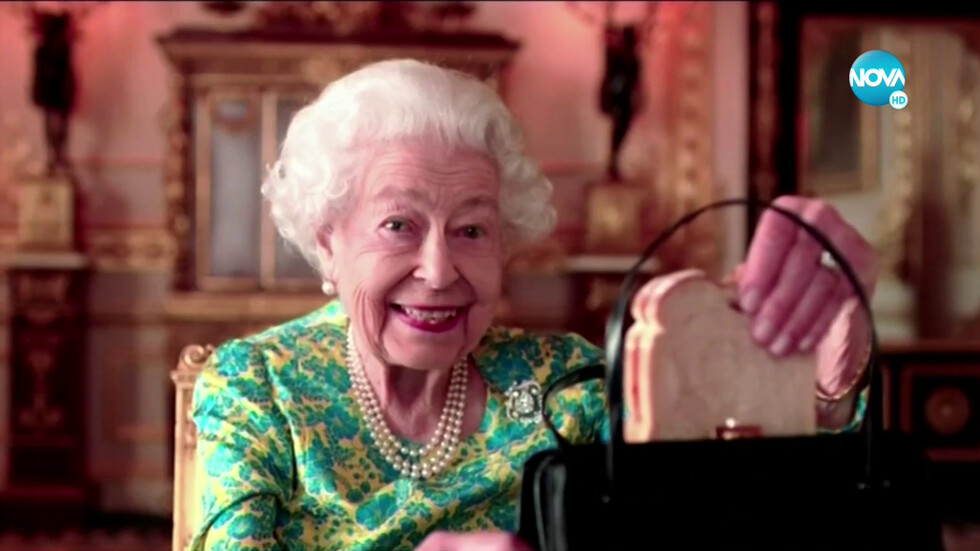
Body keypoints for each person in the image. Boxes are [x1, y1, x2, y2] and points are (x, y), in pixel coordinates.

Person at [190, 59, 878, 551]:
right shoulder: (258, 387)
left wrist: (819, 387)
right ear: (327, 240)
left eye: (472, 230)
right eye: (398, 225)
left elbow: (736, 509)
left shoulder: (567, 385)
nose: (439, 271)